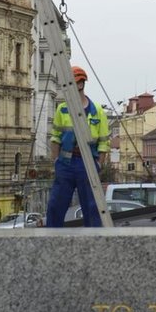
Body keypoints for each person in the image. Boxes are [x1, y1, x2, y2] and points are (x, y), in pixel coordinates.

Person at [45, 67, 111, 228]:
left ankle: (93, 241)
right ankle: (52, 239)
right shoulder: (63, 109)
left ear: (80, 84)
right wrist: (55, 161)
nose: (67, 88)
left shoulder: (98, 112)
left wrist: (99, 164)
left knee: (91, 207)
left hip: (87, 162)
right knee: (55, 206)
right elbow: (55, 137)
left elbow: (103, 142)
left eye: (70, 84)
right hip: (65, 162)